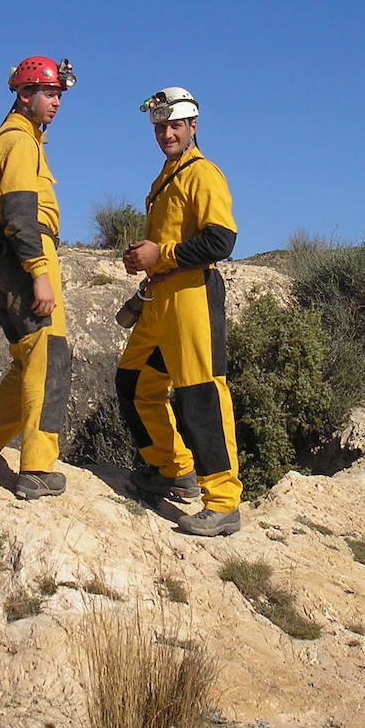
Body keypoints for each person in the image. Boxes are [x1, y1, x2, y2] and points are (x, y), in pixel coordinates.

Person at [115, 87, 243, 537]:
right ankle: (171, 468)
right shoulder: (167, 177)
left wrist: (161, 254)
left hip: (191, 298)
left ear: (192, 127)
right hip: (160, 300)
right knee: (132, 383)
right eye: (159, 126)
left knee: (200, 397)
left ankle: (224, 502)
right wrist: (143, 260)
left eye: (174, 125)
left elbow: (221, 241)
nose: (166, 133)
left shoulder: (202, 175)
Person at [0, 56, 74, 500]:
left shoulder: (4, 141)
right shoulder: (20, 143)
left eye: (59, 94)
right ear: (25, 96)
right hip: (27, 258)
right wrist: (40, 273)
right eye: (50, 93)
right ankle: (36, 469)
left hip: (2, 263)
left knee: (26, 360)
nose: (57, 102)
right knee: (50, 359)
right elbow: (23, 215)